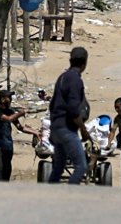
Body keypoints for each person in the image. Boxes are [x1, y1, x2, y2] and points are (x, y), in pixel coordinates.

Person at [48, 46, 90, 185]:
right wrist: (83, 129)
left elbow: (52, 105)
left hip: (56, 129)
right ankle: (68, 196)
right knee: (81, 166)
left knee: (58, 168)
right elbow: (73, 111)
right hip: (67, 129)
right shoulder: (75, 80)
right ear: (84, 63)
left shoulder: (63, 77)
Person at [0, 89, 34, 181]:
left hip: (7, 144)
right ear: (2, 99)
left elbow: (20, 127)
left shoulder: (10, 111)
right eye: (9, 97)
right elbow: (8, 119)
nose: (10, 99)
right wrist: (21, 113)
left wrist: (35, 132)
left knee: (7, 169)